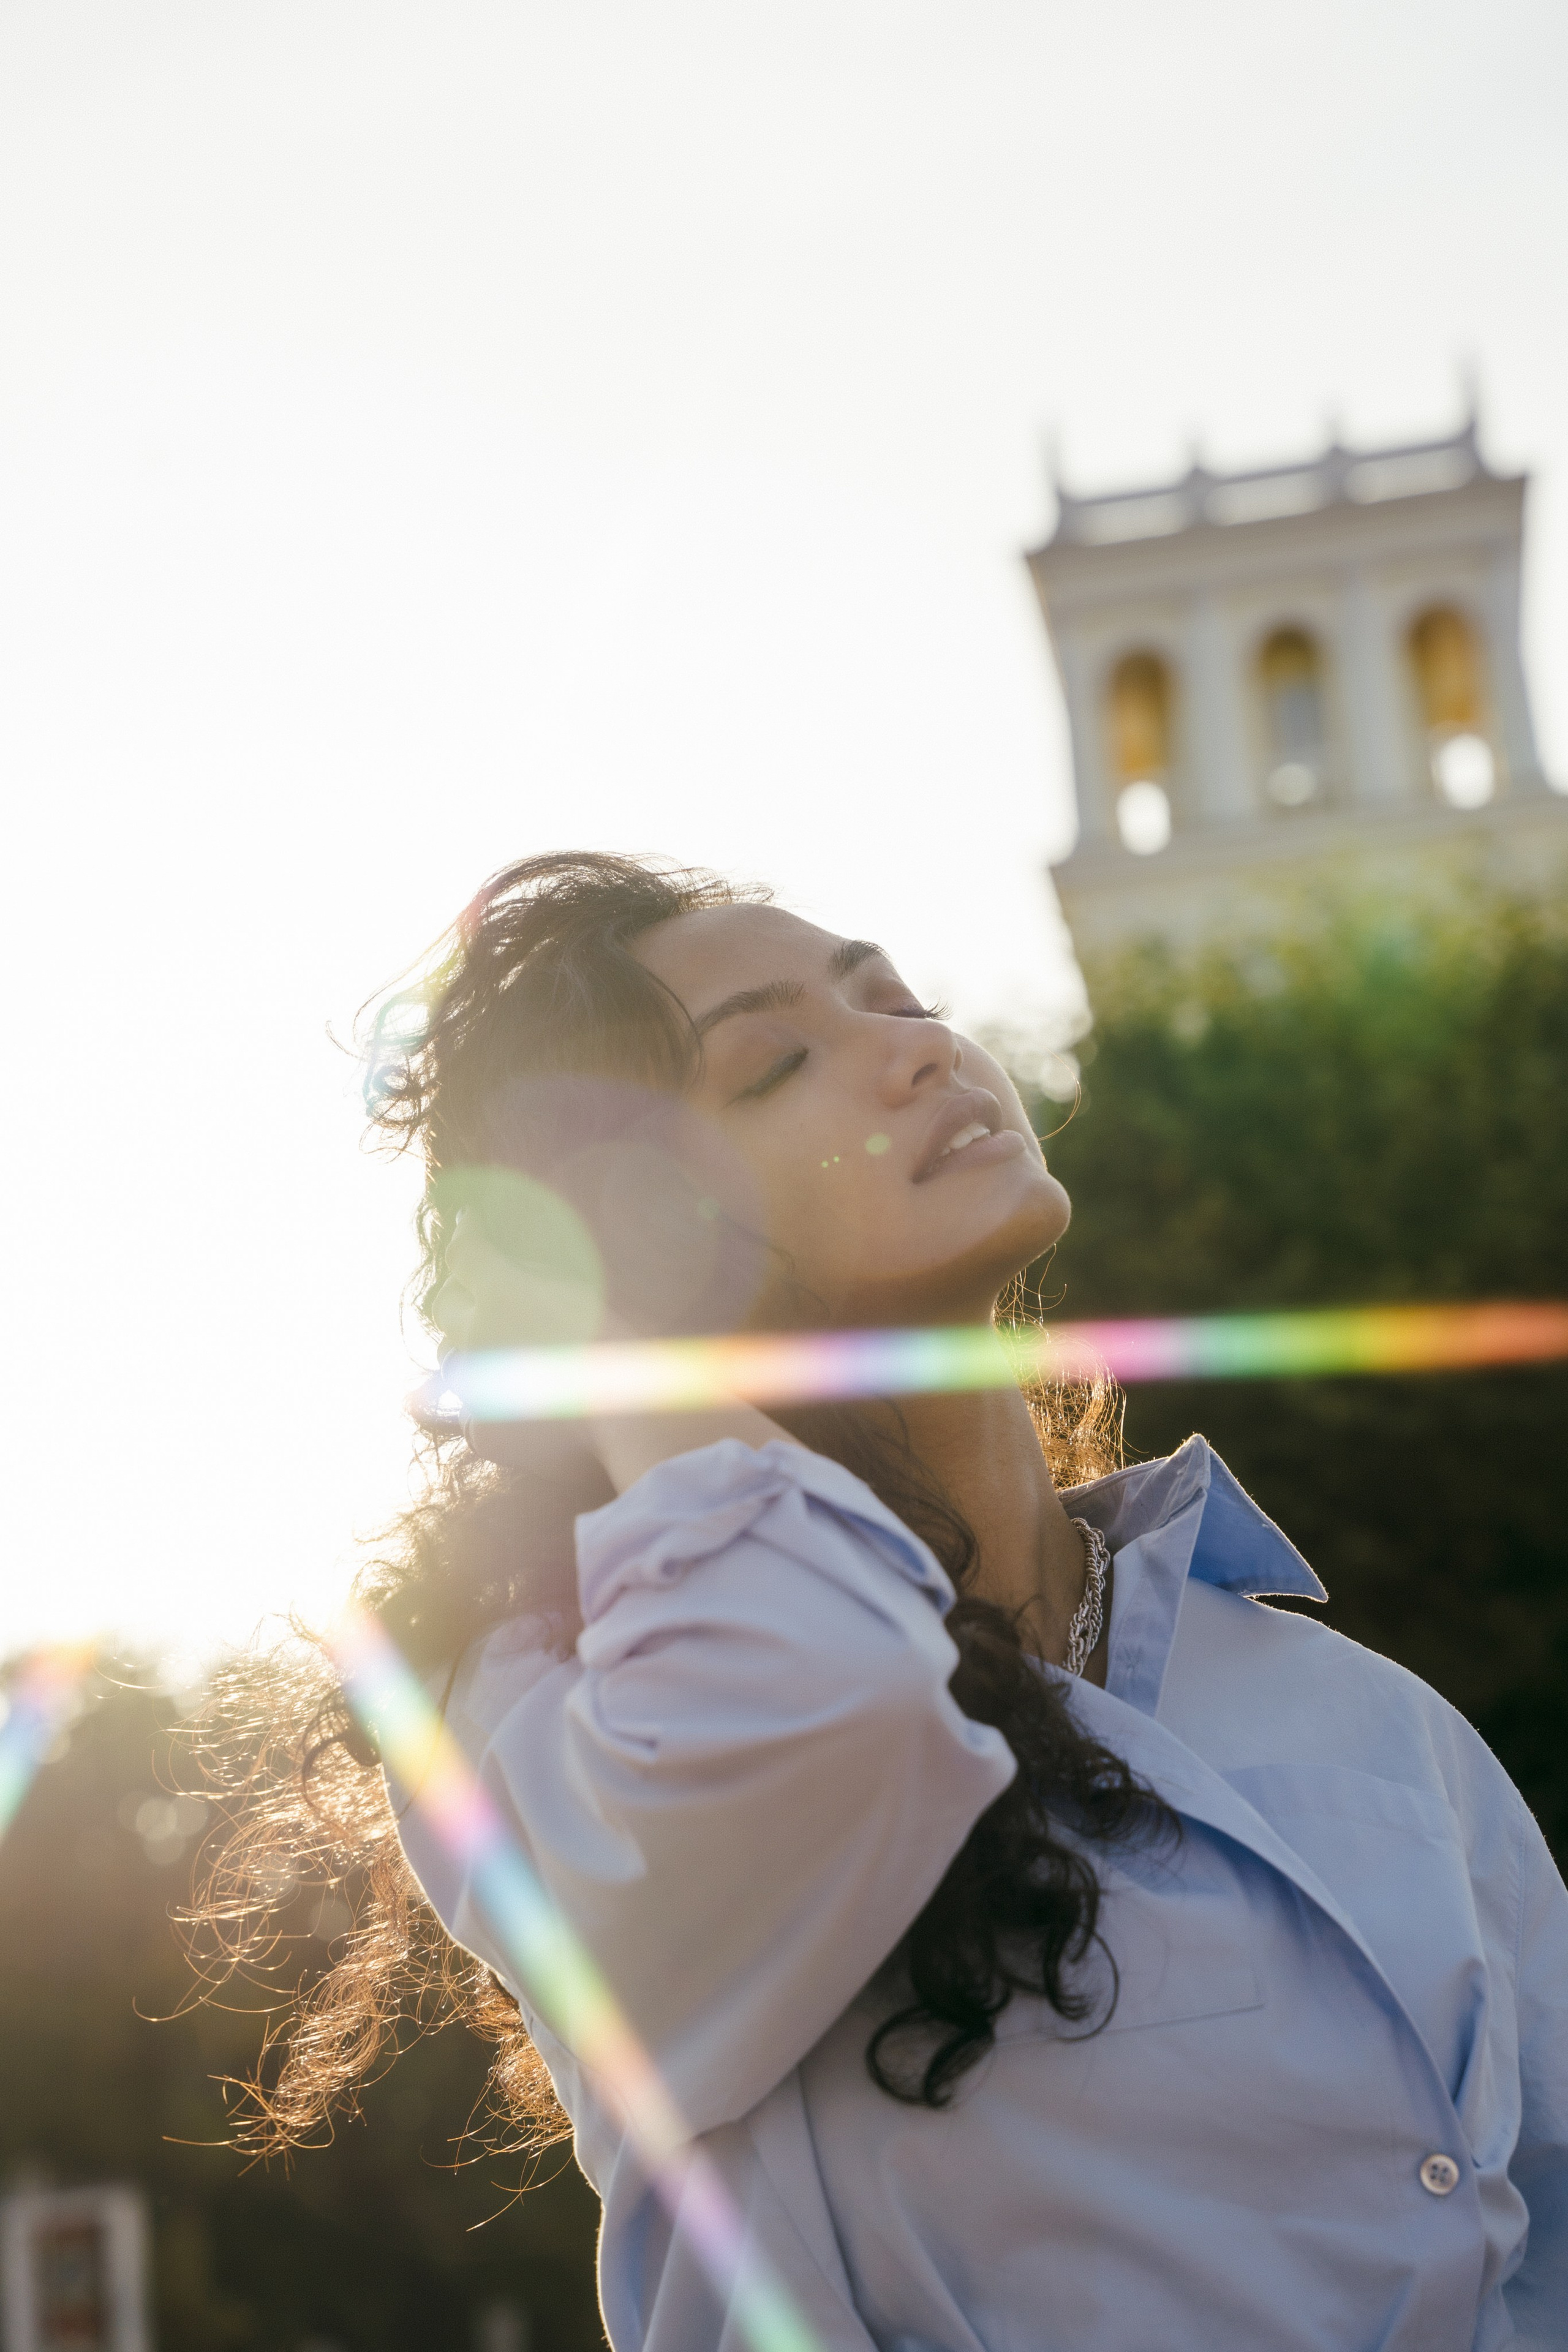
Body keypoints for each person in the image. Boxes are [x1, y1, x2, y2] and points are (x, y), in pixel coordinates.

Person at [194, 851, 1568, 2352]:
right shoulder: (551, 1707)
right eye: (776, 1063)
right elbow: (829, 1694)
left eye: (896, 997)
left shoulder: (1368, 1717)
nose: (915, 1047)